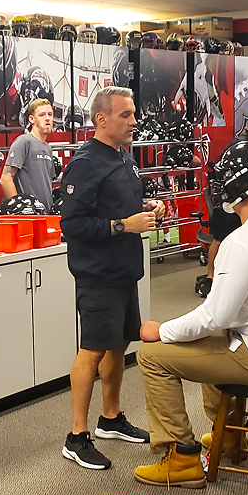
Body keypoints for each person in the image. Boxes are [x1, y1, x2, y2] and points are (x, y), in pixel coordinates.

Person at [134, 139, 248, 487]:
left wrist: (162, 330)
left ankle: (181, 457)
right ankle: (231, 436)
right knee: (213, 341)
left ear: (239, 183)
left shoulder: (242, 240)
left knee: (151, 357)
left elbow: (214, 317)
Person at [59, 86, 166, 470]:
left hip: (124, 271)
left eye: (134, 114)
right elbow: (72, 223)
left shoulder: (123, 157)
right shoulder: (86, 162)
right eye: (126, 115)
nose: (134, 121)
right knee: (93, 350)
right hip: (97, 274)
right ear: (102, 119)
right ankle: (76, 436)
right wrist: (125, 224)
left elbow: (116, 206)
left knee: (120, 344)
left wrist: (146, 208)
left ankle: (111, 418)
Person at [197, 112, 248, 297]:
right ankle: (211, 277)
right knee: (220, 238)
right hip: (230, 200)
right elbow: (220, 169)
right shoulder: (237, 146)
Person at [0, 97, 56, 208]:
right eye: (42, 115)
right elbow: (5, 179)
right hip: (28, 217)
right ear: (31, 119)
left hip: (45, 214)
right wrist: (19, 208)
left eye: (50, 114)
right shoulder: (24, 142)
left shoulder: (48, 148)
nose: (47, 118)